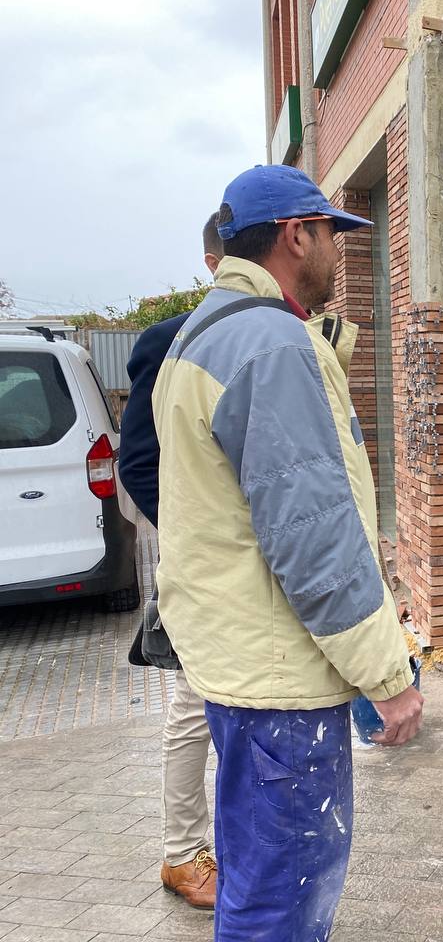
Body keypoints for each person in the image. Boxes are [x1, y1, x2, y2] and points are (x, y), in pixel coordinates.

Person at [151, 164, 423, 941]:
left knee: (254, 879)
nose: (340, 251)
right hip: (280, 683)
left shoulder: (204, 333)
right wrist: (387, 676)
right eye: (333, 233)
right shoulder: (271, 346)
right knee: (282, 901)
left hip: (238, 662)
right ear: (296, 235)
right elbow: (313, 535)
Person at [119, 212, 224, 909]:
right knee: (193, 700)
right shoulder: (172, 339)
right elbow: (136, 463)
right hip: (199, 556)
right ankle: (183, 854)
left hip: (247, 559)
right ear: (216, 262)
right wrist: (197, 534)